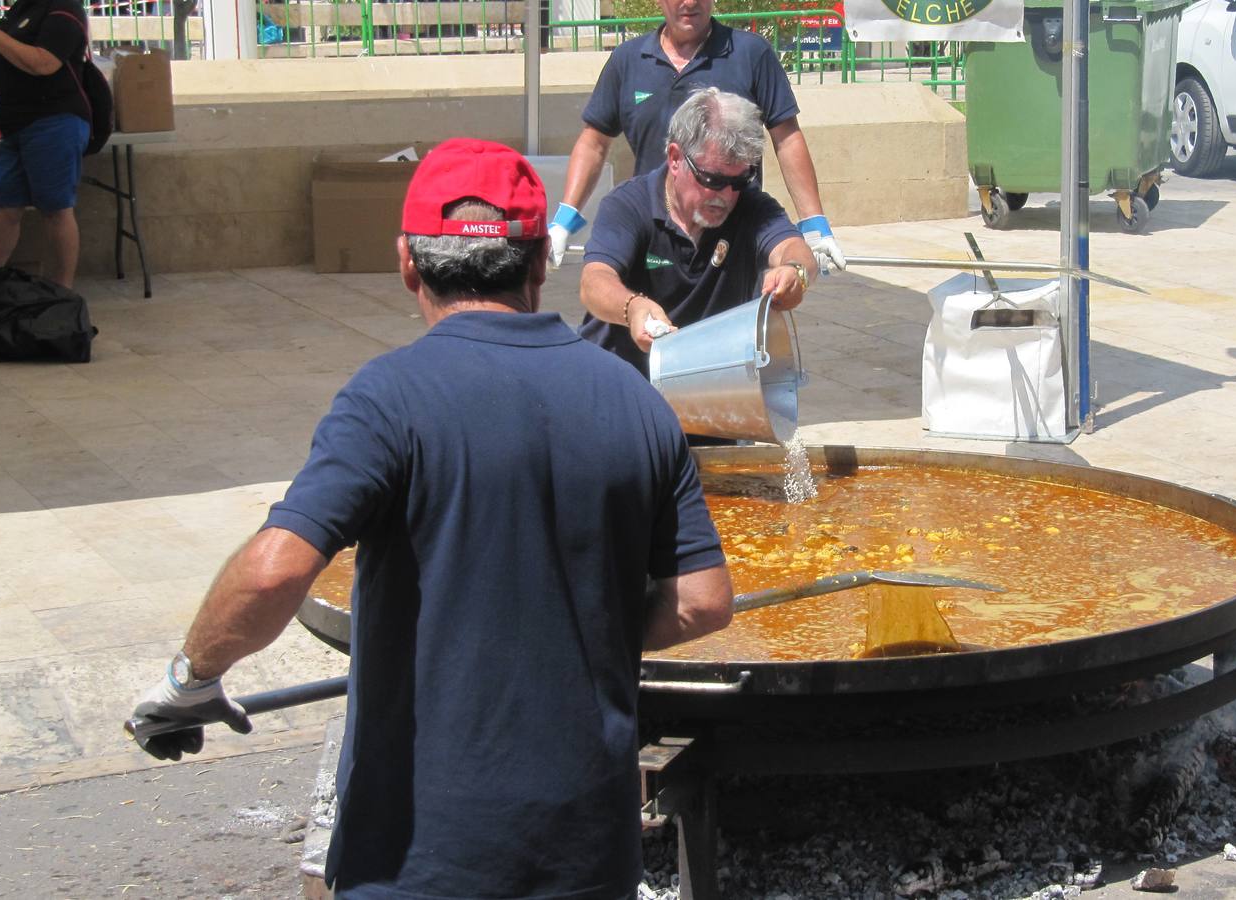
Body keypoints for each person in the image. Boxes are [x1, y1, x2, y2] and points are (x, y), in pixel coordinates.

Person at [127, 139, 734, 898]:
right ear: (540, 264)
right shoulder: (636, 402)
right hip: (586, 847)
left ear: (407, 262)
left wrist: (192, 678)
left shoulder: (388, 399)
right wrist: (581, 628)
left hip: (422, 854)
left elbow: (274, 566)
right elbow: (705, 599)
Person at [547, 0, 845, 275]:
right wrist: (565, 219)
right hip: (654, 242)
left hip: (733, 242)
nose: (689, 2)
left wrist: (813, 224)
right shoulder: (628, 61)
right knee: (650, 325)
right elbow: (594, 143)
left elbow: (787, 139)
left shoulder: (751, 54)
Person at [579, 88, 817, 379]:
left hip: (704, 386)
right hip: (622, 384)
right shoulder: (628, 205)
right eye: (713, 180)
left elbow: (794, 249)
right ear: (676, 158)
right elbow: (594, 281)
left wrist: (795, 273)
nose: (727, 196)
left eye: (740, 180)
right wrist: (632, 307)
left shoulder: (751, 205)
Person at [0, 0, 90, 288]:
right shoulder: (21, 9)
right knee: (4, 210)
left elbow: (43, 63)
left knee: (55, 210)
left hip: (53, 122)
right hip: (15, 126)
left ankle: (62, 294)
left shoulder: (64, 10)